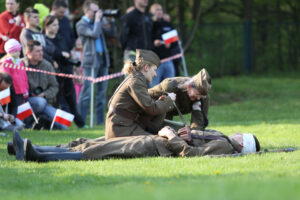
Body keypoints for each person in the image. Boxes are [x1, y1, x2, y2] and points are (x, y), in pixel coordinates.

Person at [8, 126, 261, 162]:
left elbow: (191, 153)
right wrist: (182, 130)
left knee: (100, 151)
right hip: (155, 139)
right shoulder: (223, 137)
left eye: (243, 137)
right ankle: (32, 149)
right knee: (92, 142)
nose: (239, 134)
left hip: (156, 147)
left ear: (243, 145)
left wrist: (171, 135)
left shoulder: (226, 148)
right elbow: (194, 136)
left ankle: (35, 155)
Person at [105, 49, 175, 139]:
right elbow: (152, 109)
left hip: (123, 125)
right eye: (154, 70)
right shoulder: (136, 82)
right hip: (121, 129)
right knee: (159, 142)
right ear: (146, 67)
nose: (155, 75)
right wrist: (169, 99)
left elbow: (148, 106)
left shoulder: (136, 79)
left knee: (158, 139)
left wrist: (161, 101)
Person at [76, 0, 116, 125]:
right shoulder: (81, 24)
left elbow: (112, 34)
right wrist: (99, 21)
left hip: (103, 60)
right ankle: (81, 121)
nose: (97, 13)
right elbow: (94, 34)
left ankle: (99, 121)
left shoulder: (98, 22)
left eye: (98, 11)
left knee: (101, 94)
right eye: (94, 11)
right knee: (86, 93)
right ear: (86, 11)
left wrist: (110, 21)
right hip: (90, 61)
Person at [42, 15, 85, 128]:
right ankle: (55, 124)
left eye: (57, 24)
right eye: (54, 25)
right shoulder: (43, 40)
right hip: (52, 74)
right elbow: (46, 54)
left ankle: (80, 123)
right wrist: (57, 57)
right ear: (46, 26)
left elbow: (67, 54)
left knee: (71, 100)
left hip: (66, 72)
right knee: (55, 101)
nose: (57, 27)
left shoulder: (61, 38)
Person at [22, 40, 66, 130]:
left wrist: (44, 94)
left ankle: (40, 122)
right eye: (38, 51)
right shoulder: (20, 64)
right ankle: (27, 123)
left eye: (41, 50)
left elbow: (55, 86)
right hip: (25, 102)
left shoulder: (47, 65)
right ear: (28, 53)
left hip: (45, 101)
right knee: (39, 102)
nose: (41, 53)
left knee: (64, 124)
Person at [0, 39, 29, 117]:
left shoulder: (20, 62)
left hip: (22, 91)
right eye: (15, 51)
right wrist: (11, 89)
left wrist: (26, 89)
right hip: (13, 91)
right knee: (13, 108)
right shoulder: (6, 63)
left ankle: (21, 122)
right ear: (9, 52)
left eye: (19, 51)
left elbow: (24, 77)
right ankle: (12, 121)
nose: (18, 53)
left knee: (22, 108)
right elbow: (7, 78)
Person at [149, 3, 175, 87]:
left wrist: (170, 44)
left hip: (168, 60)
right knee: (154, 87)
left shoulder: (167, 24)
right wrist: (153, 44)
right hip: (153, 62)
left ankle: (168, 101)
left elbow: (175, 41)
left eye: (160, 9)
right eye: (157, 10)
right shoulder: (148, 24)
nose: (159, 12)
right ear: (151, 12)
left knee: (170, 87)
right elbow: (143, 41)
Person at [71, 38, 84, 102]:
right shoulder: (72, 52)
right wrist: (76, 75)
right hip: (75, 78)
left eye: (80, 42)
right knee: (76, 97)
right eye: (77, 41)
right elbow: (72, 66)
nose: (78, 43)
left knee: (83, 97)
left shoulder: (85, 53)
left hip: (84, 77)